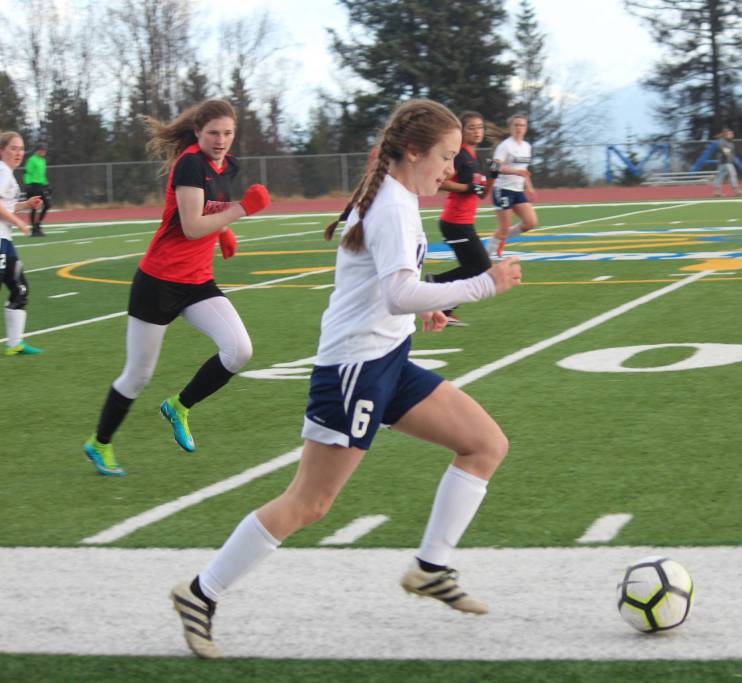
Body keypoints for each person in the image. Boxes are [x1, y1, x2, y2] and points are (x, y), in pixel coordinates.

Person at [169, 98, 522, 659]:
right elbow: (397, 291)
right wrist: (483, 284)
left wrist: (418, 308)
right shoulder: (393, 205)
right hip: (355, 369)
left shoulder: (396, 195)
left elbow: (393, 285)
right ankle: (200, 592)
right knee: (309, 503)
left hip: (386, 359)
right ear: (413, 151)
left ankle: (430, 568)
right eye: (445, 157)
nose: (451, 171)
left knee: (484, 445)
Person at [82, 99, 271, 477]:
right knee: (138, 375)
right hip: (158, 282)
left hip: (197, 280)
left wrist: (225, 230)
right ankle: (100, 443)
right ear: (198, 132)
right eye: (214, 133)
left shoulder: (226, 165)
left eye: (228, 133)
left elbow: (209, 209)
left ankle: (179, 406)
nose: (221, 140)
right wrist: (242, 211)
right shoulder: (189, 163)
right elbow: (190, 226)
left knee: (239, 350)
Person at [431, 110, 494, 326]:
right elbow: (439, 181)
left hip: (464, 222)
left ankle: (445, 309)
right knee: (480, 267)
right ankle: (435, 283)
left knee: (474, 267)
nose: (477, 132)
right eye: (472, 128)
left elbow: (482, 193)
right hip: (455, 223)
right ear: (462, 130)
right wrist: (467, 186)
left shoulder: (474, 158)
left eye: (480, 128)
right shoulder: (459, 155)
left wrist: (493, 177)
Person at [0, 132, 45, 356]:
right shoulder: (1, 171)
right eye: (13, 148)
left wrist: (25, 204)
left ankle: (14, 343)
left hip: (5, 242)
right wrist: (19, 222)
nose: (18, 153)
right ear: (1, 150)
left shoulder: (7, 174)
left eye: (21, 149)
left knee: (19, 287)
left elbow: (5, 207)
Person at [486, 113, 537, 258]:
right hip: (503, 190)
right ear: (510, 127)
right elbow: (494, 167)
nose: (519, 128)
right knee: (503, 228)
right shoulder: (505, 146)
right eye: (516, 125)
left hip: (517, 190)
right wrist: (516, 172)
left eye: (522, 125)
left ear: (526, 128)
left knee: (530, 223)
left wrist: (529, 187)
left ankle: (502, 239)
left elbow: (524, 171)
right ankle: (484, 258)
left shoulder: (527, 146)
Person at [23, 143, 50, 236]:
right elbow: (27, 173)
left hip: (40, 186)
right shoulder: (32, 160)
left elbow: (42, 175)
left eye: (44, 150)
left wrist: (47, 185)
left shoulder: (43, 161)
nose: (43, 152)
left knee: (47, 205)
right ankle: (34, 230)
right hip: (32, 185)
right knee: (34, 207)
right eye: (42, 150)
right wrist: (27, 184)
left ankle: (37, 225)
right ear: (37, 150)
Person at [712, 128, 742, 197]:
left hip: (724, 163)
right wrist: (732, 158)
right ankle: (736, 191)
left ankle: (717, 191)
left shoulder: (729, 142)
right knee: (733, 174)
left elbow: (730, 153)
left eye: (732, 133)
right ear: (726, 135)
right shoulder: (723, 142)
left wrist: (733, 158)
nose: (732, 135)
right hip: (727, 162)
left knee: (720, 176)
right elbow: (726, 153)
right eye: (730, 134)